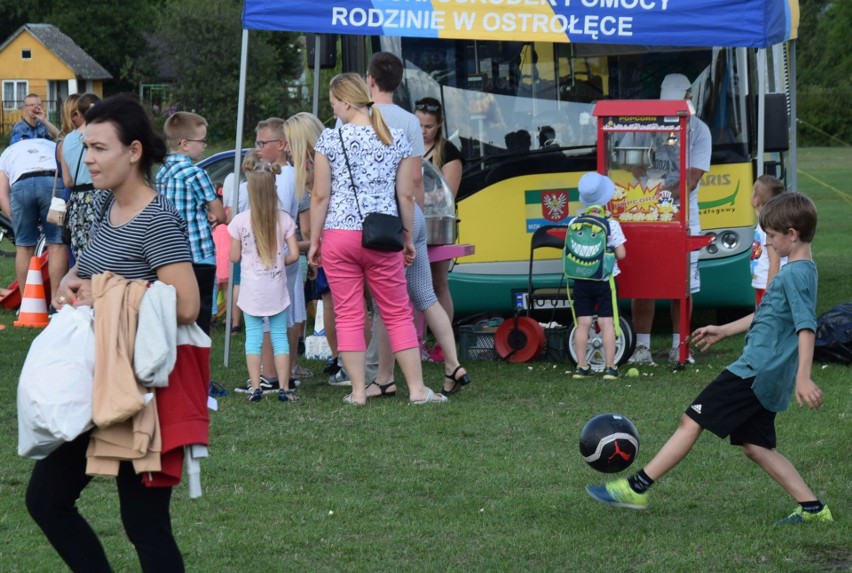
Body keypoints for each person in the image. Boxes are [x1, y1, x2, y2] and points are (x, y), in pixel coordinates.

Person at [26, 94, 201, 571]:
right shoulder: (104, 205)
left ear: (134, 151)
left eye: (100, 148)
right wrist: (72, 277)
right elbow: (92, 268)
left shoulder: (158, 220)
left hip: (139, 393)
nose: (89, 159)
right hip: (95, 382)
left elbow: (187, 304)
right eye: (87, 147)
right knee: (45, 501)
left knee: (145, 525)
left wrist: (104, 294)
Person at [587, 193, 833, 526]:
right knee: (755, 446)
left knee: (692, 420)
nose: (770, 244)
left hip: (754, 372)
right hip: (766, 372)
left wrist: (803, 377)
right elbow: (770, 314)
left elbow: (806, 326)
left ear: (792, 234)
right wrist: (725, 330)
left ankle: (637, 486)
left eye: (772, 237)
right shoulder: (804, 270)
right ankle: (814, 509)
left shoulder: (794, 276)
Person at [310, 72, 446, 405]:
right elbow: (406, 195)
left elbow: (319, 196)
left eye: (333, 105)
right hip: (382, 236)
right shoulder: (395, 138)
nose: (333, 112)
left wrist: (314, 241)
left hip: (339, 236)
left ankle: (358, 392)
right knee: (397, 311)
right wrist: (407, 237)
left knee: (348, 313)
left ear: (345, 101)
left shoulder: (329, 140)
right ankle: (417, 389)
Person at [626, 73, 712, 366]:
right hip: (647, 212)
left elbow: (692, 179)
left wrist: (661, 192)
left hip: (685, 216)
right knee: (643, 281)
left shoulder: (699, 131)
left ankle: (680, 346)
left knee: (682, 284)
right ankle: (641, 348)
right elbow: (630, 161)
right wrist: (648, 185)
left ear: (690, 98)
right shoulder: (645, 123)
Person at [228, 161, 300, 403]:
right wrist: (280, 262)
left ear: (250, 191)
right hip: (276, 289)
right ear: (274, 188)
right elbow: (293, 254)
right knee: (279, 336)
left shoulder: (239, 221)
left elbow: (234, 257)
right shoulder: (284, 219)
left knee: (253, 338)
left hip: (251, 291)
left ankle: (256, 388)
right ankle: (283, 388)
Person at [156, 111, 226, 336]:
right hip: (198, 255)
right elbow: (219, 213)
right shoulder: (195, 174)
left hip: (168, 254)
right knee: (200, 317)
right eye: (202, 140)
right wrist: (214, 215)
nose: (205, 145)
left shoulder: (161, 173)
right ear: (184, 144)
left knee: (174, 317)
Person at [254, 117, 309, 387]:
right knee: (284, 315)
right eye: (257, 143)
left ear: (282, 144)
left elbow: (279, 219)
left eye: (263, 143)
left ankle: (270, 375)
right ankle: (279, 372)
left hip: (276, 255)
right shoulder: (289, 174)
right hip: (284, 255)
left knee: (268, 316)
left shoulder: (282, 177)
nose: (258, 149)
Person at [570, 172, 627, 380]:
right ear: (606, 198)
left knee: (583, 323)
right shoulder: (611, 224)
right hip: (605, 281)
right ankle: (610, 367)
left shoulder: (574, 222)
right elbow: (621, 254)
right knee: (607, 324)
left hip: (581, 280)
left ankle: (581, 366)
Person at [415, 97, 464, 339]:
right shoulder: (408, 146)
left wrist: (417, 195)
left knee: (438, 284)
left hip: (437, 228)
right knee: (412, 286)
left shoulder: (448, 152)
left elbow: (447, 195)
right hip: (411, 225)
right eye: (419, 125)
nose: (423, 131)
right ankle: (417, 341)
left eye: (429, 126)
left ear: (440, 125)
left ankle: (444, 342)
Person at [0, 138, 67, 300]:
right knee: (56, 244)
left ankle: (26, 304)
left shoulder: (7, 153)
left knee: (24, 246)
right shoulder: (51, 144)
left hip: (21, 183)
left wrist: (14, 220)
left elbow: (2, 193)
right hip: (52, 180)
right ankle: (56, 303)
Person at [61, 93, 105, 261]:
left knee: (82, 260)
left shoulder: (66, 140)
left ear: (78, 113)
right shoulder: (99, 136)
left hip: (77, 202)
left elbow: (67, 181)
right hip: (99, 197)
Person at [750, 175, 787, 306]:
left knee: (765, 318)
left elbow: (775, 261)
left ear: (756, 200)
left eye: (753, 191)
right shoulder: (763, 224)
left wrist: (770, 292)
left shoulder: (768, 226)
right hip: (762, 285)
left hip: (768, 286)